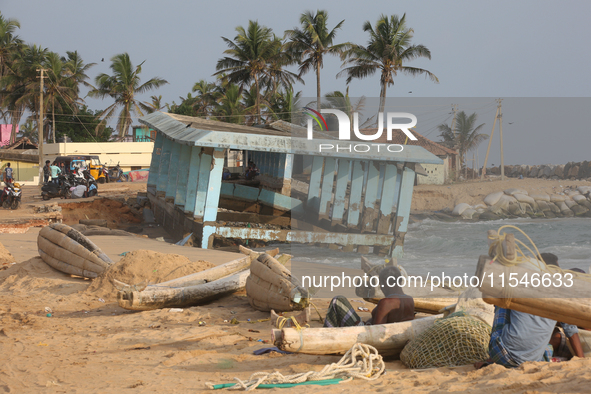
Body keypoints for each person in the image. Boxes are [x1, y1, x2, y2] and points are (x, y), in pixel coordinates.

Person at [476, 253, 585, 369]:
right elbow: (571, 332)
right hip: (533, 361)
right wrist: (582, 361)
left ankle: (491, 359)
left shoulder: (521, 283)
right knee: (548, 340)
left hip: (502, 355)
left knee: (503, 300)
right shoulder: (561, 294)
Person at [323, 266, 414, 328]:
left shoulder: (386, 303)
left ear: (385, 282)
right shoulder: (410, 300)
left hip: (366, 336)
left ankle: (326, 336)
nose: (381, 288)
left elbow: (377, 331)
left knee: (338, 301)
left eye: (381, 284)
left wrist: (365, 326)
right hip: (392, 337)